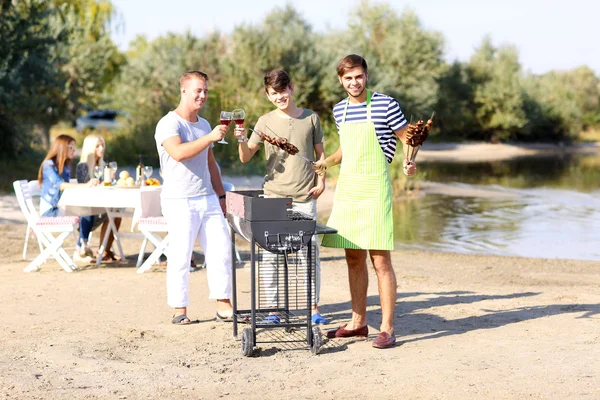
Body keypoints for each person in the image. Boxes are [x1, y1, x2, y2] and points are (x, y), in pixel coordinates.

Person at [313, 54, 417, 349]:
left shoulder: (385, 104)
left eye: (358, 76)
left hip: (375, 187)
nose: (353, 82)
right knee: (353, 257)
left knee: (380, 259)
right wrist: (325, 163)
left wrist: (410, 163)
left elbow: (407, 137)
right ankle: (358, 323)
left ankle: (387, 328)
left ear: (366, 76)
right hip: (349, 188)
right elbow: (346, 149)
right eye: (348, 78)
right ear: (340, 80)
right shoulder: (340, 110)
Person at [234, 69, 327, 324]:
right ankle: (274, 310)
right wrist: (241, 139)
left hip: (305, 197)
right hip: (273, 198)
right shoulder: (264, 122)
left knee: (309, 255)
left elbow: (320, 155)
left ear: (292, 88)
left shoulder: (311, 118)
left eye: (283, 91)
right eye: (274, 93)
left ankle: (313, 309)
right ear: (267, 94)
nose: (279, 97)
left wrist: (322, 181)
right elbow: (245, 157)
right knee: (271, 255)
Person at [154, 70, 233, 325]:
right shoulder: (169, 123)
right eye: (198, 90)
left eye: (206, 91)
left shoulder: (204, 124)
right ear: (184, 91)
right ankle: (180, 310)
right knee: (180, 255)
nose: (202, 95)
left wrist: (221, 196)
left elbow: (210, 162)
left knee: (221, 251)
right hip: (179, 200)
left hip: (207, 197)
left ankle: (224, 305)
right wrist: (209, 138)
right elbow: (177, 152)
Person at [75, 133, 122, 262]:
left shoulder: (103, 165)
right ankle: (81, 247)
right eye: (97, 146)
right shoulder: (83, 166)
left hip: (101, 207)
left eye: (102, 145)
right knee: (88, 209)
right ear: (90, 148)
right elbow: (85, 190)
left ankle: (105, 251)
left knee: (116, 214)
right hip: (86, 209)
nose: (101, 149)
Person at [38, 134, 99, 218]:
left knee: (92, 210)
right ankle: (84, 231)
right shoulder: (49, 164)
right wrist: (86, 185)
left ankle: (85, 231)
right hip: (51, 210)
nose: (73, 150)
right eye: (71, 148)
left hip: (62, 206)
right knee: (86, 214)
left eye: (74, 148)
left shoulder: (65, 166)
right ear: (61, 147)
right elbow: (61, 185)